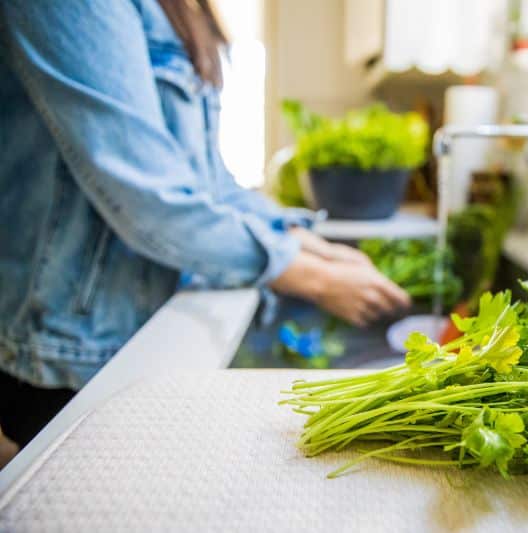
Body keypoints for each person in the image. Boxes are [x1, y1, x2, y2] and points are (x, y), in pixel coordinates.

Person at [0, 0, 410, 450]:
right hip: (70, 347)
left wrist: (307, 244)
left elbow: (208, 183)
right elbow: (147, 196)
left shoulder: (179, 9)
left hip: (138, 327)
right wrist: (311, 277)